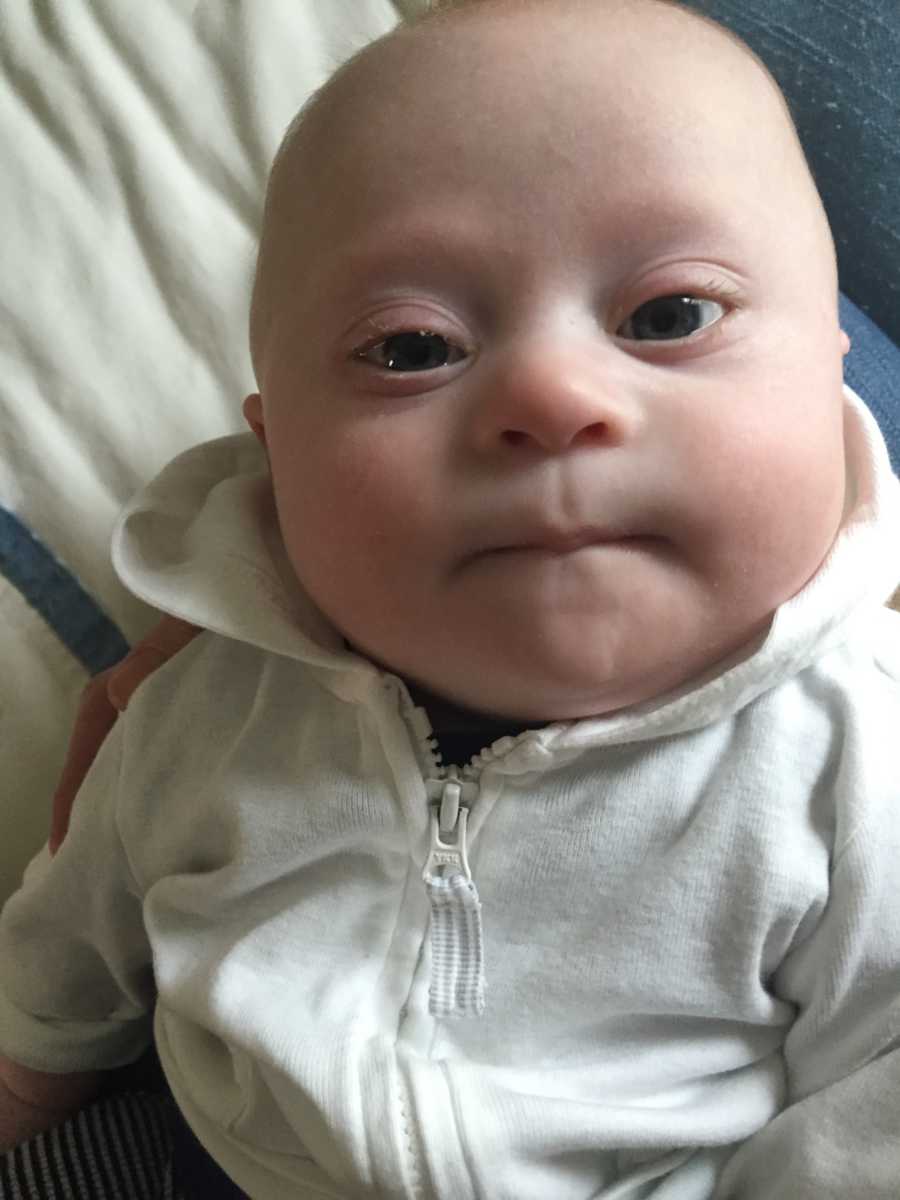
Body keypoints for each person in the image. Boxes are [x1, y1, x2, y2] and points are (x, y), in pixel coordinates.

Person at [3, 0, 900, 1196]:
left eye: (670, 316)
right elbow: (68, 953)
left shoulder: (856, 762)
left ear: (836, 376)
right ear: (274, 454)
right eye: (412, 348)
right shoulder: (200, 715)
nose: (549, 391)